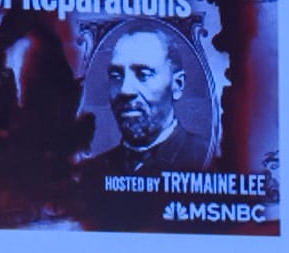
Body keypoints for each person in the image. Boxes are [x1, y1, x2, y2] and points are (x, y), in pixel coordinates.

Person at [77, 24, 211, 183]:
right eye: (116, 75)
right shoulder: (89, 174)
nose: (125, 90)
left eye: (143, 74)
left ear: (177, 85)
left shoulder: (208, 160)